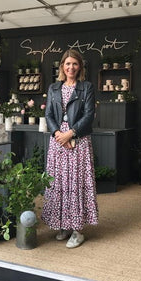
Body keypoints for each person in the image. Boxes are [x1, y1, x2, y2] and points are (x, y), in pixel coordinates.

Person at [41, 49, 98, 249]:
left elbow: (89, 115)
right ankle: (63, 225)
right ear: (62, 67)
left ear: (80, 67)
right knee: (59, 183)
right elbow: (48, 114)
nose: (71, 67)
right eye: (67, 64)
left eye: (75, 64)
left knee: (76, 182)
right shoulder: (54, 88)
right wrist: (58, 133)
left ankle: (77, 230)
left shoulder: (87, 87)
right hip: (57, 141)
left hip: (78, 140)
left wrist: (70, 133)